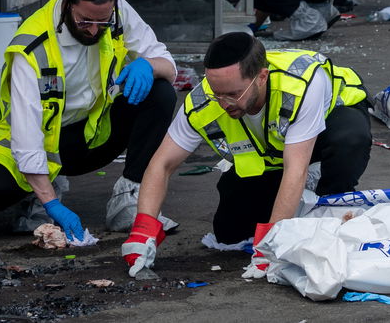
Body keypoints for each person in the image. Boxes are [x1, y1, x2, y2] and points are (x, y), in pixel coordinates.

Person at [122, 32, 370, 274]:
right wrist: (142, 230)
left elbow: (296, 168)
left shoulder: (300, 85)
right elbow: (162, 164)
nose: (223, 103)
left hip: (327, 130)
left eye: (232, 94)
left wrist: (271, 242)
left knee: (348, 141)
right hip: (273, 153)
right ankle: (297, 195)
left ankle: (328, 201)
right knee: (230, 231)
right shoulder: (204, 100)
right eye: (216, 92)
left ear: (262, 77)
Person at [0, 0, 177, 237]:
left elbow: (169, 66)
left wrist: (147, 64)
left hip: (90, 136)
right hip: (36, 141)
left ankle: (131, 199)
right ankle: (35, 199)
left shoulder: (116, 11)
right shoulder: (31, 47)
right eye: (85, 21)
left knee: (161, 93)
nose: (94, 31)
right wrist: (50, 203)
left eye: (103, 21)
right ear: (67, 4)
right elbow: (26, 137)